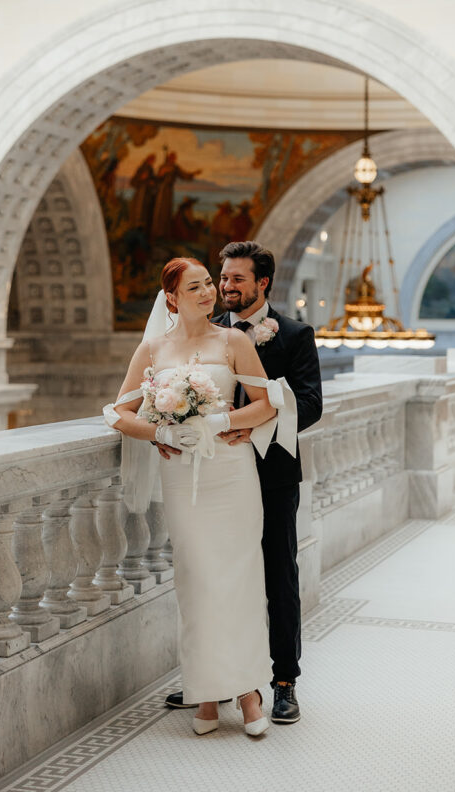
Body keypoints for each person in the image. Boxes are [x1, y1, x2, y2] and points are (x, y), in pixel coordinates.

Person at [105, 257, 285, 737]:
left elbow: (268, 404)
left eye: (210, 284)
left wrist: (221, 422)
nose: (209, 292)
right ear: (171, 297)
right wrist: (160, 432)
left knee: (238, 579)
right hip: (182, 477)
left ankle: (248, 694)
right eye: (196, 287)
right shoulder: (152, 347)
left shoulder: (234, 340)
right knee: (197, 580)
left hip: (231, 473)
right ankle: (205, 693)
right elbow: (116, 412)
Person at [165, 241, 323, 724]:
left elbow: (310, 404)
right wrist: (170, 425)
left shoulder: (294, 334)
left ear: (263, 284)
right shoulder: (204, 334)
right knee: (212, 575)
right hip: (212, 474)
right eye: (222, 277)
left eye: (236, 279)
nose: (226, 286)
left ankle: (283, 682)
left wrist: (244, 424)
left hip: (270, 474)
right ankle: (212, 678)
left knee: (277, 575)